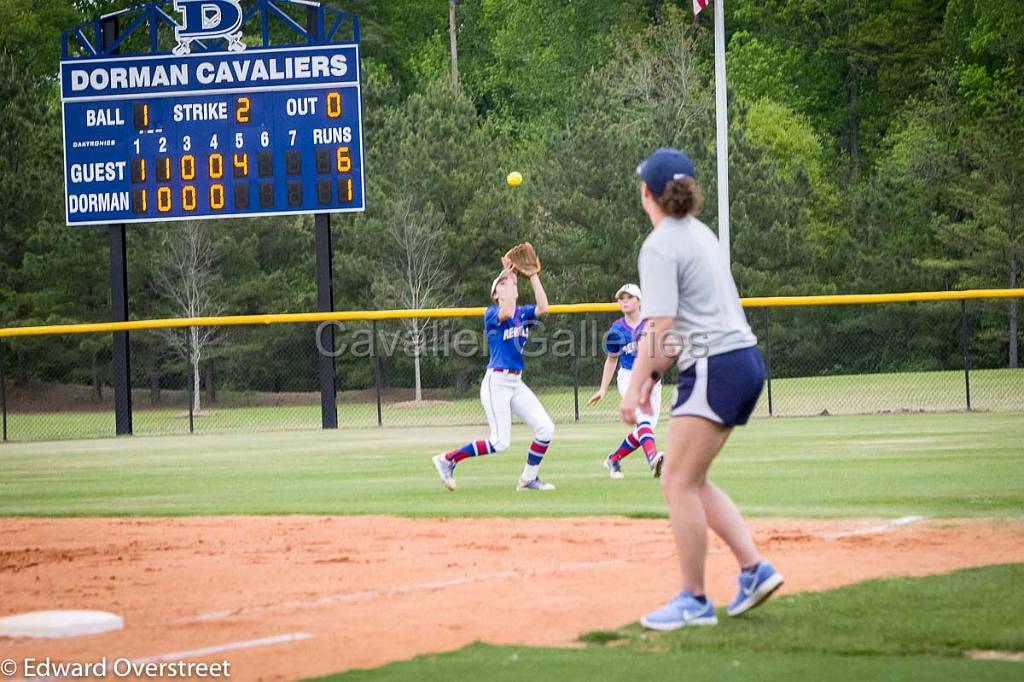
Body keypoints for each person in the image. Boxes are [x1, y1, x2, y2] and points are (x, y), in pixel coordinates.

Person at [620, 148, 784, 630]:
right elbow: (675, 328)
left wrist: (634, 388)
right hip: (741, 361)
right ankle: (755, 570)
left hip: (715, 363)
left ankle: (693, 599)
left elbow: (662, 325)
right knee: (691, 480)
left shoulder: (660, 244)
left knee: (676, 482)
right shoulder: (700, 234)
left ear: (646, 192)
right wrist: (651, 376)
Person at [431, 256, 556, 492]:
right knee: (499, 442)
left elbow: (544, 307)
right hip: (496, 381)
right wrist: (507, 274)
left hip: (516, 382)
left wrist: (533, 276)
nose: (509, 285)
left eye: (512, 284)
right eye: (502, 284)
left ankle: (528, 479)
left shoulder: (523, 313)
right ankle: (447, 459)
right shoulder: (491, 313)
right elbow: (506, 310)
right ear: (495, 295)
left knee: (546, 429)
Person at [587, 284, 664, 479]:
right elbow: (612, 359)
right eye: (621, 298)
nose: (624, 301)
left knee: (645, 429)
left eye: (629, 297)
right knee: (643, 420)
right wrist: (603, 389)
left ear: (638, 301)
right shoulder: (616, 329)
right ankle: (653, 459)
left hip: (651, 379)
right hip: (629, 376)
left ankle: (613, 459)